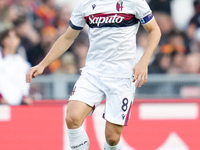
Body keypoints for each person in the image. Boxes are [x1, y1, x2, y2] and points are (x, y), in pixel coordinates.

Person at [26, 0, 161, 149]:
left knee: (112, 138)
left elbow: (155, 30)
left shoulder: (134, 2)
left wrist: (143, 62)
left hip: (122, 75)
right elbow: (68, 37)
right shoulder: (85, 4)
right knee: (72, 118)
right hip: (93, 72)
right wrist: (43, 64)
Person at [0, 28, 32, 105]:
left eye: (15, 38)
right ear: (3, 40)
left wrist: (24, 97)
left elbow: (24, 82)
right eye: (9, 38)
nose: (12, 41)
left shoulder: (21, 62)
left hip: (16, 102)